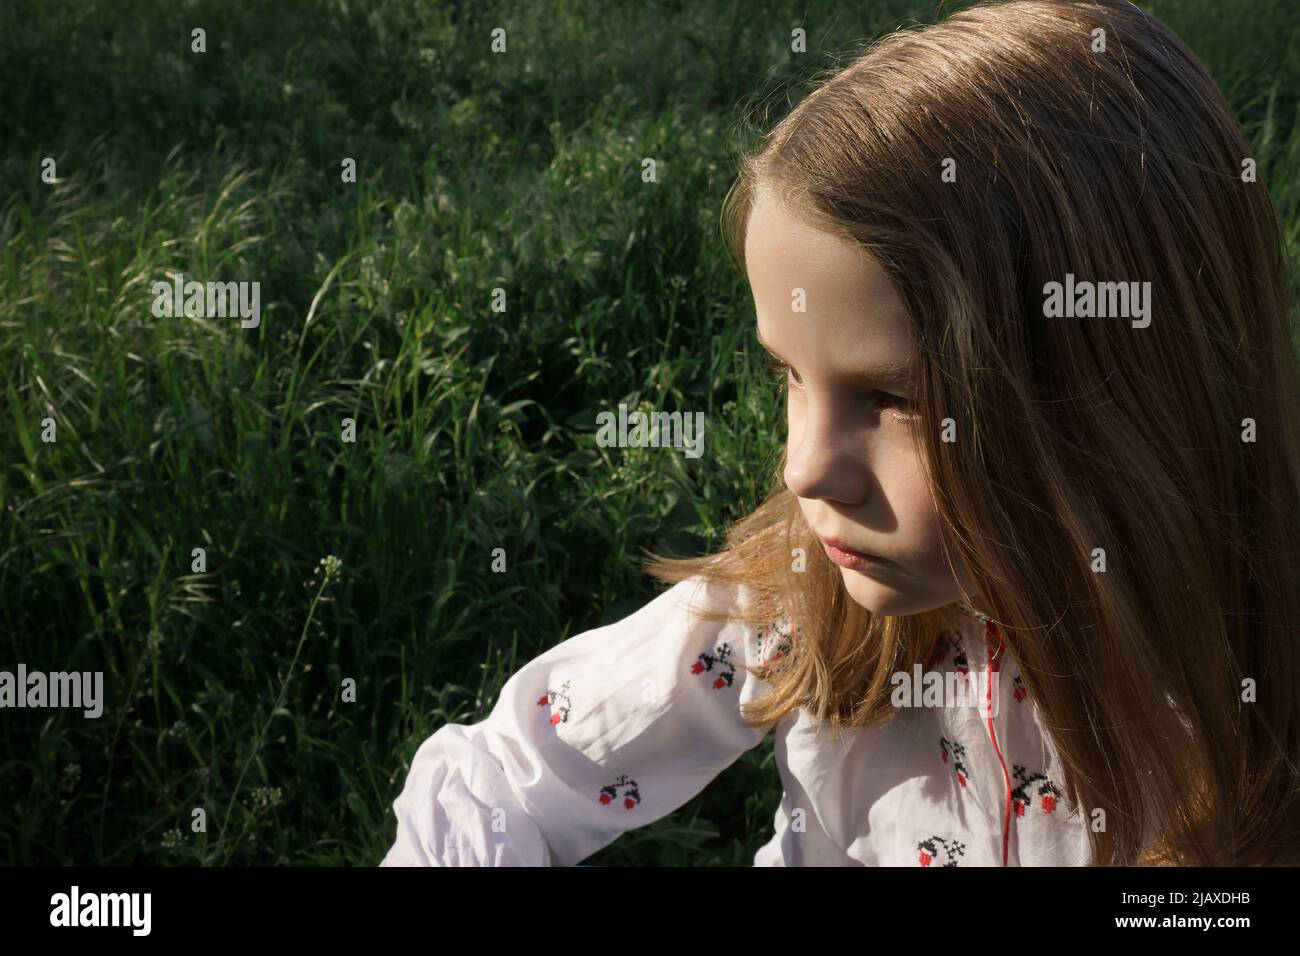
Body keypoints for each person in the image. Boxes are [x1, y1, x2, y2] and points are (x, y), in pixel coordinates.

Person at [382, 0, 1300, 866]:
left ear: (1120, 409)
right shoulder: (798, 600)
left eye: (894, 399)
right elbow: (505, 775)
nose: (805, 466)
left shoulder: (1246, 691)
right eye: (789, 375)